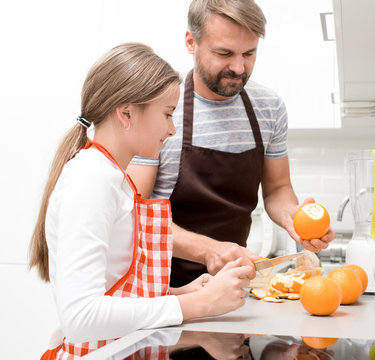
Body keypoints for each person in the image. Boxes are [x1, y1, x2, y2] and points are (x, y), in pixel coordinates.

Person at [29, 43, 252, 359]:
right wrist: (200, 303)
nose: (172, 129)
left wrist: (180, 293)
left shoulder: (112, 177)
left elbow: (115, 290)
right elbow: (81, 317)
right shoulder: (91, 180)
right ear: (126, 113)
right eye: (167, 114)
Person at [127, 0, 336, 288]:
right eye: (224, 53)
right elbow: (136, 213)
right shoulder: (161, 108)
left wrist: (295, 221)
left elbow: (277, 189)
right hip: (162, 288)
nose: (238, 68)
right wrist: (209, 250)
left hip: (233, 285)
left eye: (249, 53)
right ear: (191, 42)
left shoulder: (269, 107)